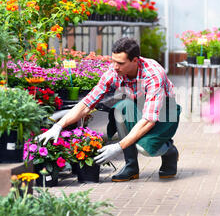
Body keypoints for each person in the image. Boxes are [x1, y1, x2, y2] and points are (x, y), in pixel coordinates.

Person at [37, 37, 181, 182]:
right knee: (121, 108)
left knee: (145, 148)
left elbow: (149, 120)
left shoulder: (153, 74)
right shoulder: (114, 72)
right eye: (113, 61)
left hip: (165, 112)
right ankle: (131, 166)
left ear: (135, 61)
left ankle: (169, 151)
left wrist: (118, 147)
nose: (115, 66)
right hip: (139, 105)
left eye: (120, 63)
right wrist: (58, 126)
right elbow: (87, 103)